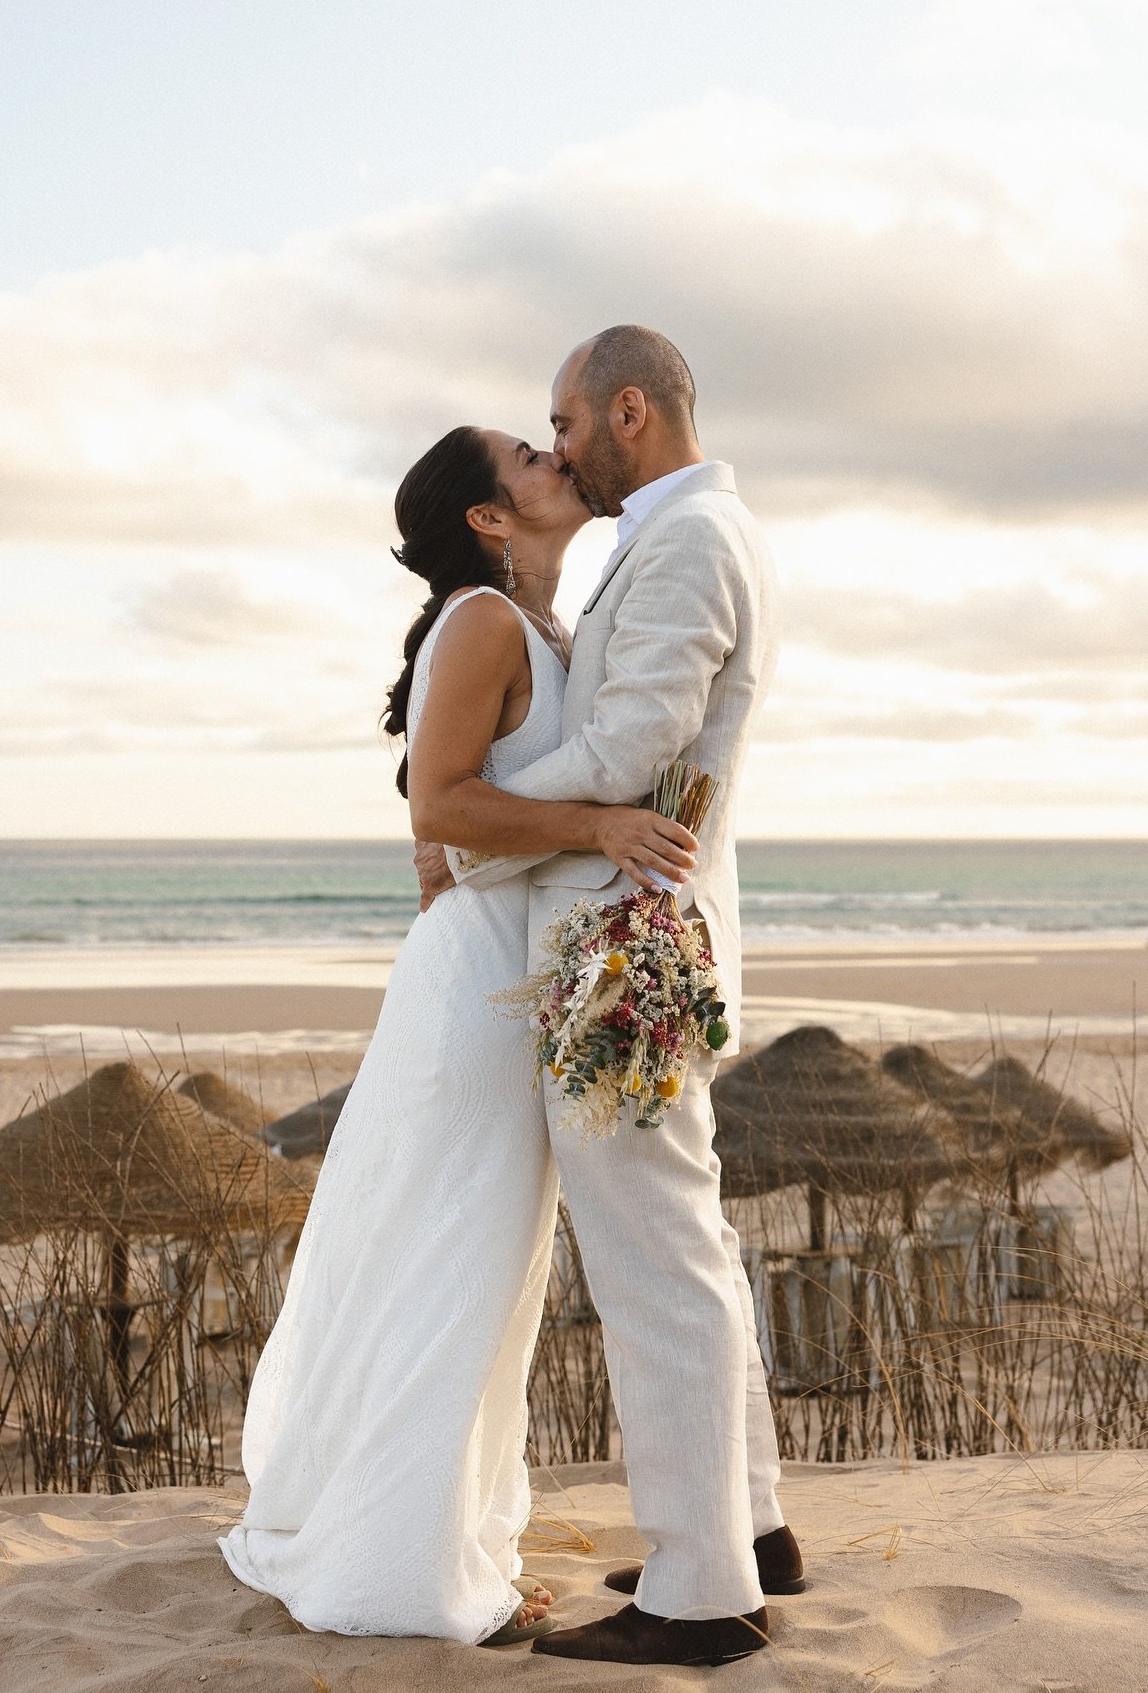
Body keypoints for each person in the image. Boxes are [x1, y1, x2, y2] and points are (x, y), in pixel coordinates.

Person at [216, 423, 697, 1647]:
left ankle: (448, 1534)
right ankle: (404, 1563)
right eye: (530, 455)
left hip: (503, 966)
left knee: (486, 1263)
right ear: (488, 516)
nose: (556, 456)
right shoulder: (484, 620)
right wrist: (600, 827)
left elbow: (455, 810)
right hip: (479, 984)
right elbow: (440, 801)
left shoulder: (532, 623)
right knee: (460, 1260)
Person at [414, 325, 802, 1668]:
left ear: (628, 410)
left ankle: (702, 1592)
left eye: (566, 422)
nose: (560, 445)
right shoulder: (685, 531)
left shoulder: (690, 539)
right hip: (636, 935)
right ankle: (751, 1526)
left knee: (657, 1266)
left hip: (623, 949)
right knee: (691, 1244)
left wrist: (466, 824)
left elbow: (636, 742)